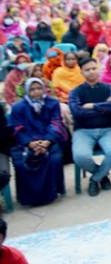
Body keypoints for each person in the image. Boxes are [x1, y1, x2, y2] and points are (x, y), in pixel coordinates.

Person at [69, 58, 111, 197]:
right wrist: (104, 107)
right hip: (84, 131)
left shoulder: (109, 88)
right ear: (82, 72)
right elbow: (77, 111)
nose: (91, 72)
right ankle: (102, 175)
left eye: (94, 68)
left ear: (99, 69)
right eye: (87, 70)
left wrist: (92, 106)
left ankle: (95, 179)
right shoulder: (76, 92)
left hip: (107, 130)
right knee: (80, 156)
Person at [10, 78, 67, 206]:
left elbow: (56, 123)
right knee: (21, 163)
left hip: (48, 140)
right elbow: (17, 128)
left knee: (54, 159)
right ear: (26, 91)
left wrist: (47, 141)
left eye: (39, 88)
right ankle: (29, 198)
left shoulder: (52, 103)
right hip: (26, 142)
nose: (36, 92)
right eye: (32, 89)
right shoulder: (18, 107)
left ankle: (53, 192)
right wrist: (30, 143)